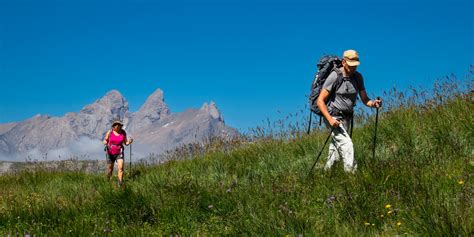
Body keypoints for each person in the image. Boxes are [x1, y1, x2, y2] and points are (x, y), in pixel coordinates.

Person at [317, 49, 382, 173]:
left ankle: (325, 175)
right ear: (344, 62)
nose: (354, 68)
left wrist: (374, 103)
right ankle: (351, 178)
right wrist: (330, 120)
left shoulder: (358, 77)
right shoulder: (335, 76)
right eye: (351, 65)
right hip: (333, 116)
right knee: (347, 146)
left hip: (347, 118)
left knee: (335, 153)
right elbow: (320, 101)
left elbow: (364, 99)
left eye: (355, 65)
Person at [103, 120, 133, 185]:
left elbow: (126, 143)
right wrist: (105, 143)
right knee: (110, 169)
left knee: (121, 167)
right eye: (116, 125)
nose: (117, 126)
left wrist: (129, 142)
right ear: (113, 126)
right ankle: (108, 181)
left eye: (118, 125)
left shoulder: (123, 133)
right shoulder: (110, 132)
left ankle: (120, 183)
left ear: (120, 126)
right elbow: (105, 140)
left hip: (119, 152)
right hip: (110, 152)